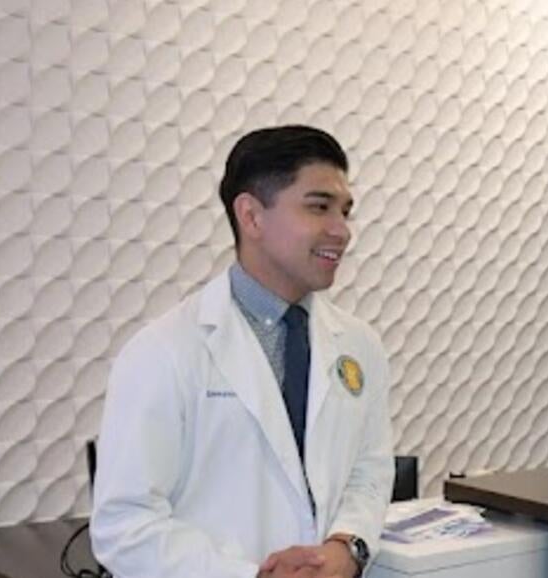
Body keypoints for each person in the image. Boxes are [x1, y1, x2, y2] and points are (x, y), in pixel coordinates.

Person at [92, 125, 394, 578]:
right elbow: (125, 523)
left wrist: (345, 547)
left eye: (346, 211)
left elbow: (369, 472)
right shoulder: (162, 352)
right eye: (319, 207)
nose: (342, 231)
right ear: (251, 216)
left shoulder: (358, 345)